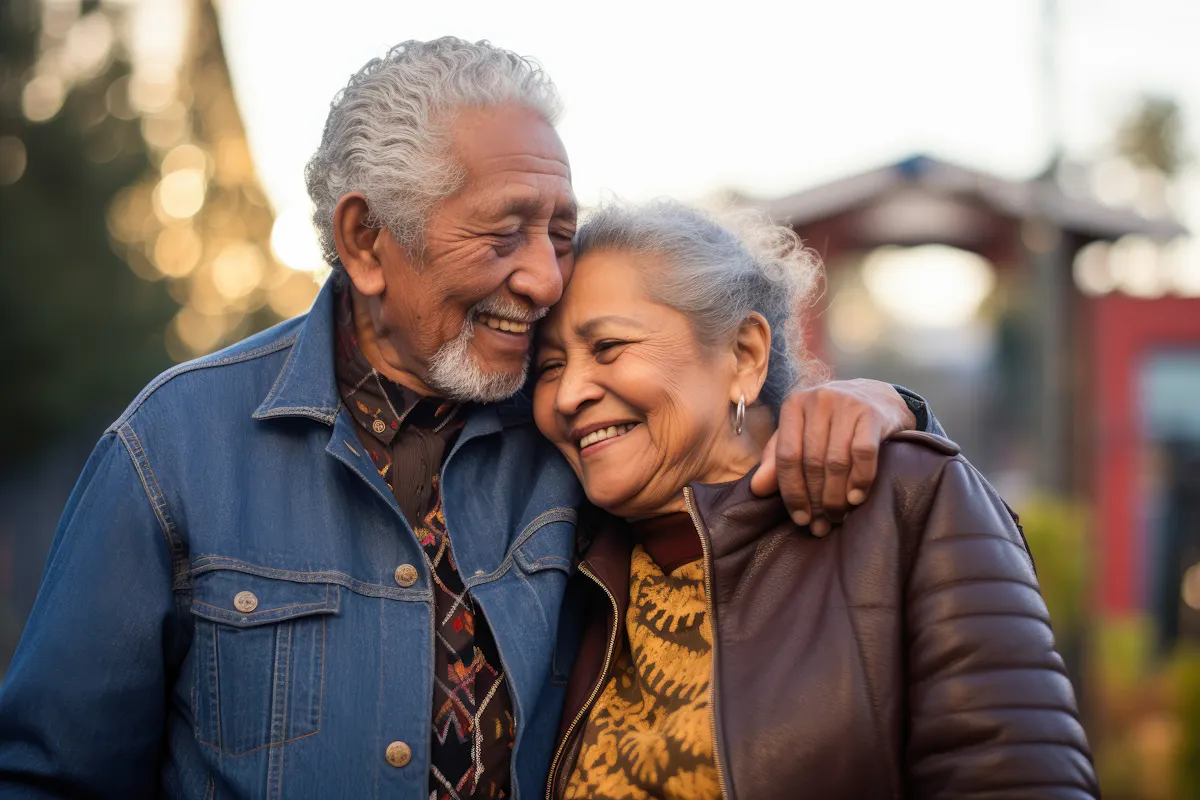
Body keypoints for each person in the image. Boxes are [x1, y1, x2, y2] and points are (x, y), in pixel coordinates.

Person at [0, 40, 942, 798]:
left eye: (560, 234)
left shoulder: (571, 426)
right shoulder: (173, 448)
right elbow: (49, 775)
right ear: (367, 240)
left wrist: (869, 404)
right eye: (505, 233)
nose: (544, 280)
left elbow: (719, 454)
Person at [532, 200, 1100, 799]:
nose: (569, 394)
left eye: (609, 346)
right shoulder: (556, 569)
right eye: (549, 367)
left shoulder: (904, 500)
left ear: (744, 354)